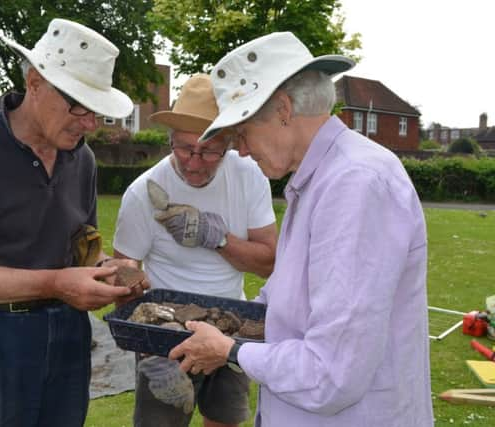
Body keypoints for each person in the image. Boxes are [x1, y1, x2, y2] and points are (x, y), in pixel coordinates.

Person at [169, 32, 433, 426]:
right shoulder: (318, 178)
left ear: (283, 109)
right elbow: (287, 300)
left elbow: (331, 373)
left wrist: (231, 350)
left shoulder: (354, 184)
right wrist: (220, 319)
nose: (240, 150)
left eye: (241, 133)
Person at [0, 19, 147, 427]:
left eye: (96, 110)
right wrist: (55, 284)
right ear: (36, 82)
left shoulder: (83, 159)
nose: (89, 123)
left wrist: (111, 273)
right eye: (78, 105)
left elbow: (82, 247)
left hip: (66, 341)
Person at [113, 73, 278, 427]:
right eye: (185, 148)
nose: (193, 161)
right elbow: (124, 267)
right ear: (170, 140)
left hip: (229, 325)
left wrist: (216, 238)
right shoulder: (144, 192)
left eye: (209, 150)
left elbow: (269, 262)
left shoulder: (249, 177)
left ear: (230, 144)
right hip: (165, 334)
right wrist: (148, 349)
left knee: (224, 421)